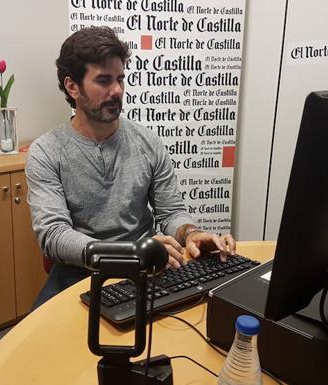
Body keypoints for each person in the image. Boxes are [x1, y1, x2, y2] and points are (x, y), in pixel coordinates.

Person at [26, 26, 236, 308]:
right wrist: (129, 252)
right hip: (79, 271)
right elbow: (53, 235)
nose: (117, 91)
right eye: (103, 81)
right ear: (72, 86)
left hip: (146, 265)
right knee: (42, 346)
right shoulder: (46, 151)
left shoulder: (147, 142)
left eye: (120, 79)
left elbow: (171, 211)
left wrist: (190, 233)